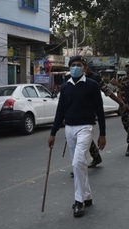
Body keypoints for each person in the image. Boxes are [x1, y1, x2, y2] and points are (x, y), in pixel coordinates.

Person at [48, 55, 106, 218]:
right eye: (72, 65)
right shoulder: (65, 87)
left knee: (78, 161)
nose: (75, 67)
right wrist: (53, 133)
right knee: (78, 164)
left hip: (86, 127)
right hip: (69, 128)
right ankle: (87, 196)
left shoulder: (92, 85)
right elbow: (60, 111)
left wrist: (103, 133)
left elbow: (100, 110)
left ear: (84, 68)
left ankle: (78, 201)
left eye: (78, 65)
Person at [85, 62, 126, 167]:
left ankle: (78, 165)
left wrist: (120, 103)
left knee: (82, 137)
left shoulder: (95, 78)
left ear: (86, 67)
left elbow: (108, 91)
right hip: (76, 111)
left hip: (90, 110)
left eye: (80, 66)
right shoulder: (73, 78)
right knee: (82, 137)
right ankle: (95, 156)